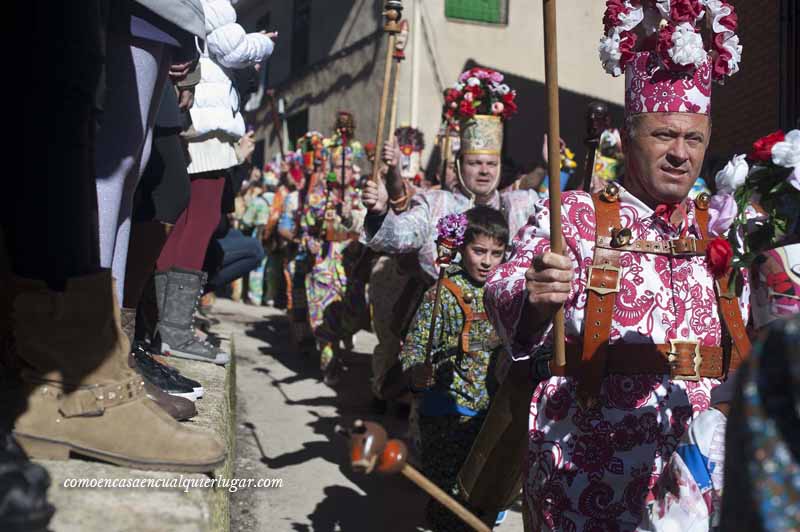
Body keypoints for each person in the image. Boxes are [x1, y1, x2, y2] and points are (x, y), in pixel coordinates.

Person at [484, 3, 747, 529]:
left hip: (696, 490)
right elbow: (503, 287)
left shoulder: (715, 227)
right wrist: (535, 296)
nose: (679, 152)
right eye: (663, 135)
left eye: (693, 138)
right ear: (628, 140)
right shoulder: (576, 216)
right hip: (590, 481)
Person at [153, 0, 275, 365]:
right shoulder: (215, 2)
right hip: (208, 125)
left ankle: (165, 327)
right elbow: (232, 50)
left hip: (196, 118)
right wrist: (264, 43)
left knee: (187, 222)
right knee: (199, 221)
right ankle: (174, 331)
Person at [400, 207, 509, 531]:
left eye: (496, 253)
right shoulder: (443, 294)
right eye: (479, 251)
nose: (487, 261)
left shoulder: (505, 291)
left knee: (483, 498)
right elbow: (414, 347)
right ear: (461, 249)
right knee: (446, 498)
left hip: (490, 414)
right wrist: (417, 371)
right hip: (447, 410)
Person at [302, 114, 368, 382]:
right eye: (339, 165)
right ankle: (329, 362)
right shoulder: (319, 194)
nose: (344, 170)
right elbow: (307, 227)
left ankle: (340, 347)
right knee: (325, 315)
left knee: (353, 313)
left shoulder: (360, 195)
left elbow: (367, 226)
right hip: (326, 261)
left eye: (348, 165)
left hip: (351, 262)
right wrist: (313, 238)